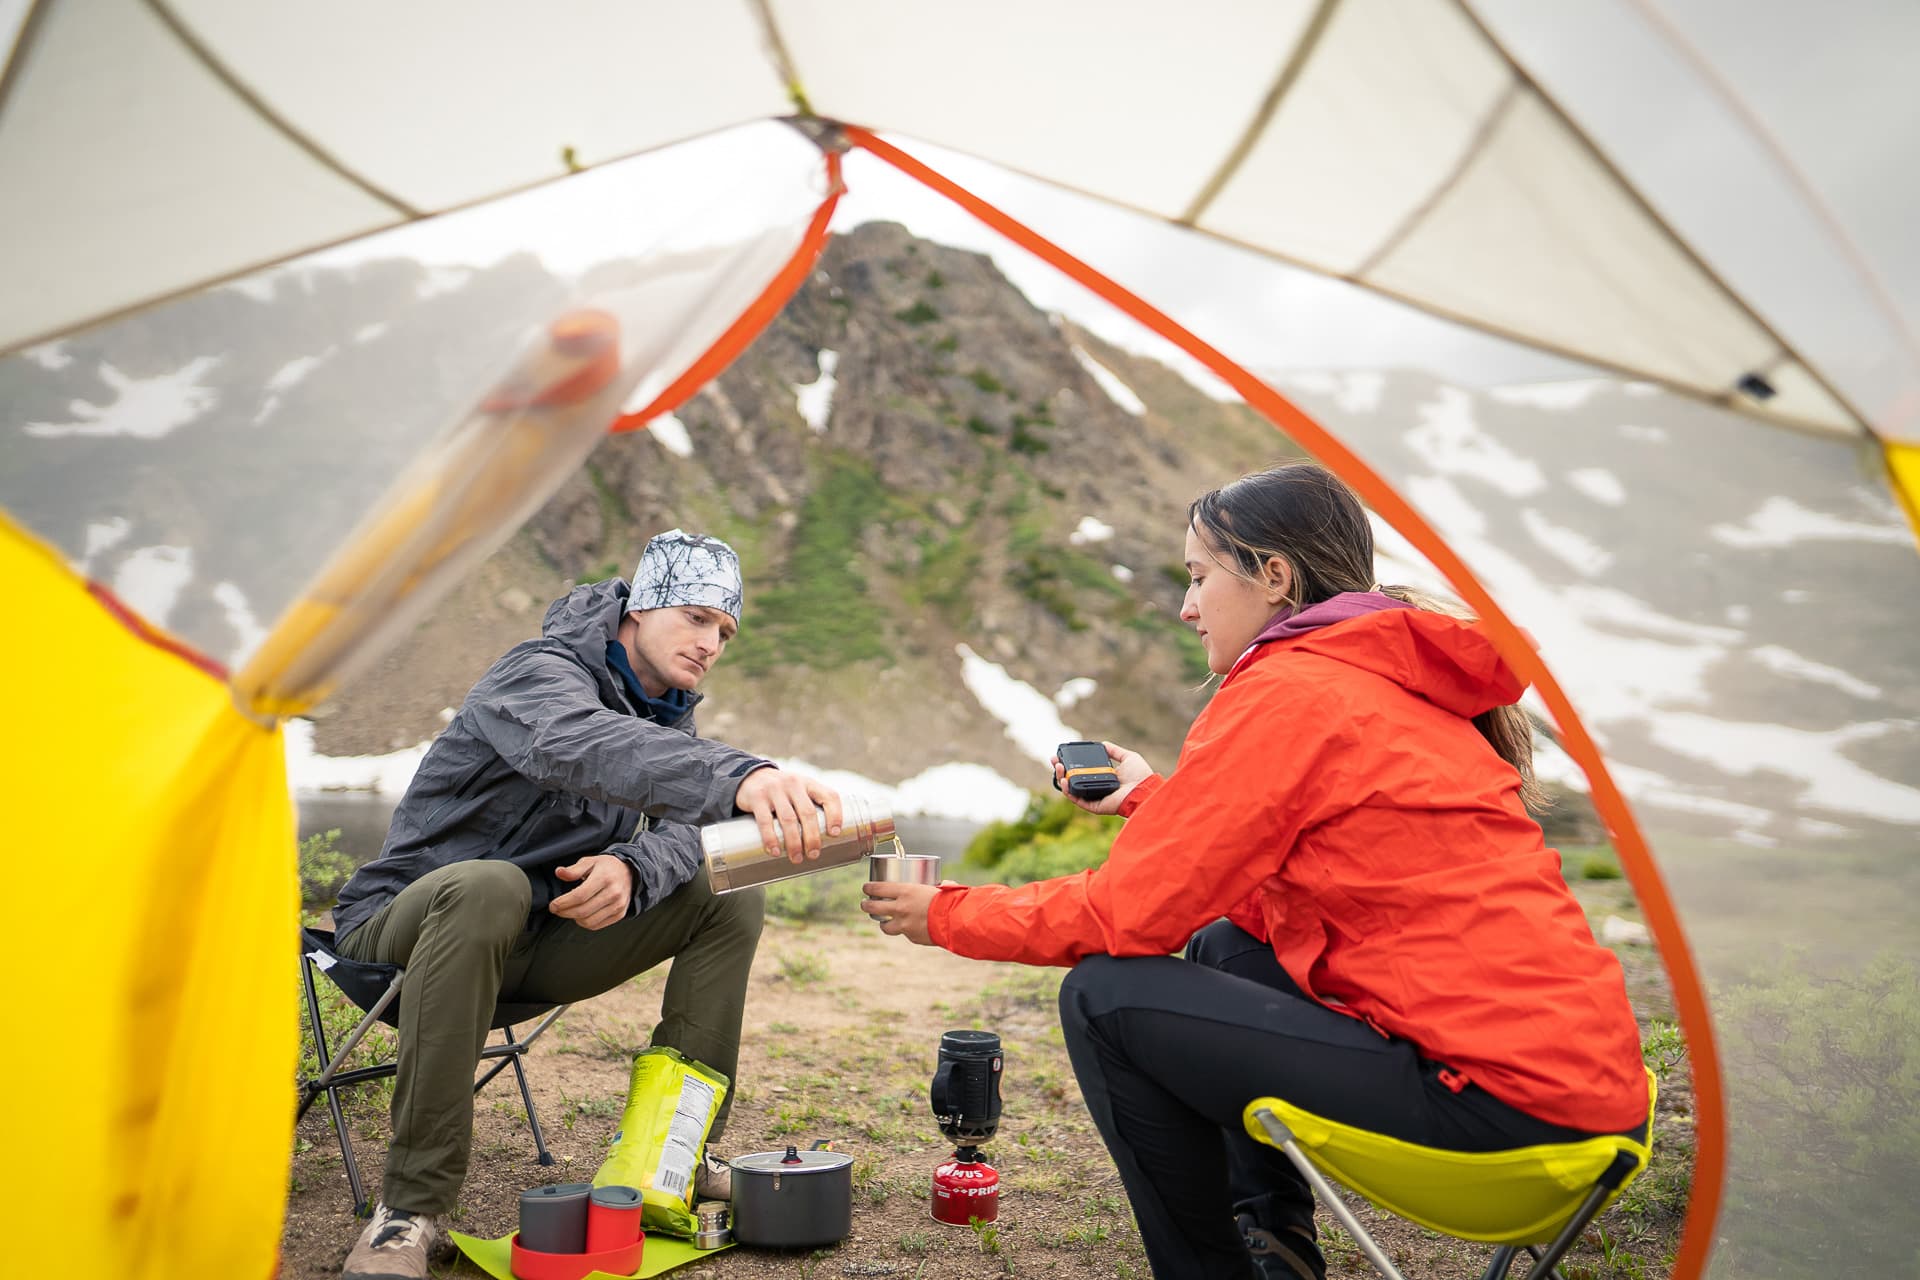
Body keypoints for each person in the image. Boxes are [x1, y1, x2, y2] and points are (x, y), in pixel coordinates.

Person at [863, 462, 1648, 1279]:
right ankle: (1275, 1248)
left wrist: (945, 913)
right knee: (1225, 947)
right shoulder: (1384, 681)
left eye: (1200, 577)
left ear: (1273, 576)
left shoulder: (1292, 692)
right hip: (1590, 1112)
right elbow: (1300, 866)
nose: (1186, 605)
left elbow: (1127, 914)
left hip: (1501, 1128)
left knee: (1103, 997)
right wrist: (1155, 801)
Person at [332, 529, 843, 1280]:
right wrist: (742, 776)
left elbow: (681, 823)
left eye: (725, 630)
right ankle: (410, 1209)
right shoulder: (536, 674)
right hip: (406, 932)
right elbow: (576, 744)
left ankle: (673, 1156)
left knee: (726, 887)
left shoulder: (668, 712)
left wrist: (635, 867)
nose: (711, 644)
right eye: (697, 618)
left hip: (533, 944)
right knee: (489, 882)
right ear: (641, 606)